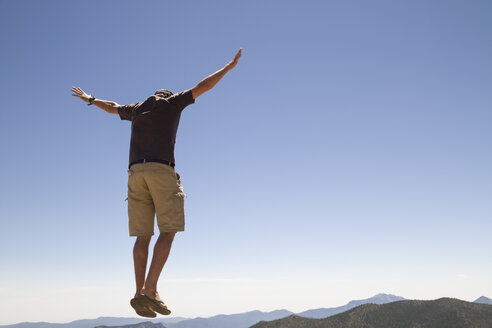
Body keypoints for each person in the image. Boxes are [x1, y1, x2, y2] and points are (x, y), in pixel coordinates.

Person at [71, 49, 242, 317]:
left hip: (135, 174)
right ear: (167, 95)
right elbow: (203, 86)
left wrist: (90, 99)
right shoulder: (172, 103)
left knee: (142, 236)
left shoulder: (138, 109)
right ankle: (151, 290)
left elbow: (112, 106)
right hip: (161, 171)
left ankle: (140, 291)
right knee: (168, 230)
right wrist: (228, 68)